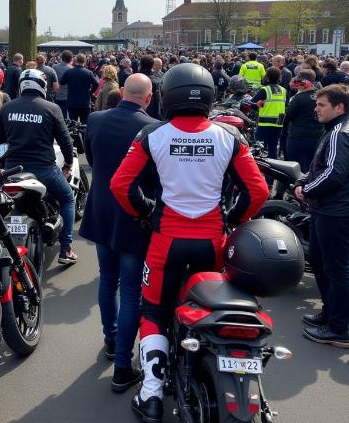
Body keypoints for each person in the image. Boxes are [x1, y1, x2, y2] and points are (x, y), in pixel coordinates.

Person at [110, 63, 269, 423]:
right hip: (212, 241)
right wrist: (234, 217)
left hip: (165, 241)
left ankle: (150, 394)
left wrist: (146, 211)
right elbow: (257, 191)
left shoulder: (153, 135)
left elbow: (121, 185)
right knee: (209, 310)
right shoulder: (230, 136)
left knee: (153, 312)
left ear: (168, 95)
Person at [81, 74, 155, 393]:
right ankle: (122, 364)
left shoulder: (95, 119)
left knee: (108, 280)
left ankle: (111, 341)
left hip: (102, 210)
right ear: (149, 98)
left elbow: (93, 160)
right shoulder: (155, 127)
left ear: (122, 92)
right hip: (135, 215)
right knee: (130, 291)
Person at [0, 69, 78, 265]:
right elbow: (66, 141)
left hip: (13, 170)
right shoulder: (51, 108)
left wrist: (2, 167)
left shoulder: (7, 108)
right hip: (44, 170)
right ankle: (66, 249)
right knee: (67, 198)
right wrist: (68, 162)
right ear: (43, 86)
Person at [296, 84, 349, 347]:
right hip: (326, 209)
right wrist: (306, 181)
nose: (316, 108)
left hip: (335, 212)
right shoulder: (333, 130)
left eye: (321, 105)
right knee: (318, 260)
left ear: (339, 107)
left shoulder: (340, 132)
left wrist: (306, 189)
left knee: (336, 268)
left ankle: (340, 327)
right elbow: (320, 167)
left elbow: (334, 173)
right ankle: (331, 313)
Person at [282, 70, 323, 173]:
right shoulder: (321, 96)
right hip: (318, 138)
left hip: (298, 138)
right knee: (312, 168)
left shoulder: (299, 98)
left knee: (296, 169)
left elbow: (286, 117)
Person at [251, 66, 286, 159]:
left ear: (267, 76)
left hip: (265, 123)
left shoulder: (265, 90)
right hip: (279, 124)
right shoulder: (283, 90)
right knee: (273, 148)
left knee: (259, 149)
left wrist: (257, 105)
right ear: (279, 77)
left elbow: (252, 104)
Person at [60, 53, 99, 124]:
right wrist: (90, 92)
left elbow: (62, 82)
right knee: (84, 124)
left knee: (72, 124)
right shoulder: (88, 73)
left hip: (72, 102)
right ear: (85, 61)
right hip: (85, 102)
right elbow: (96, 84)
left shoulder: (69, 72)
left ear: (76, 60)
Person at [53, 50, 73, 119]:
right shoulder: (71, 69)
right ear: (70, 59)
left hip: (57, 95)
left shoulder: (54, 67)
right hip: (68, 96)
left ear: (62, 58)